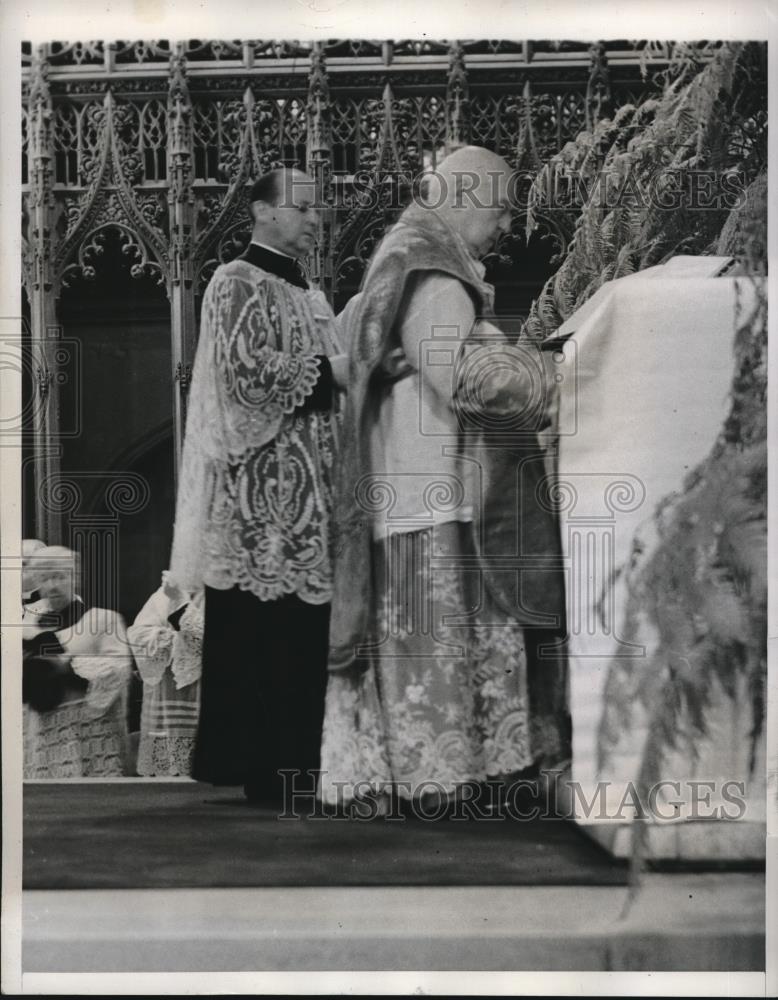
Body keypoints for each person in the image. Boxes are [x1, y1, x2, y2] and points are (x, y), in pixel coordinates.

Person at [320, 146, 569, 810]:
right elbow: (457, 375)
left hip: (411, 484)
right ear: (461, 199)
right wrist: (552, 375)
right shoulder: (433, 272)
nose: (502, 227)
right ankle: (444, 776)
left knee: (430, 633)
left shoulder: (401, 257)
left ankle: (447, 771)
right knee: (439, 634)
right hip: (435, 491)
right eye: (496, 211)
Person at [169, 167, 347, 804]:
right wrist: (337, 370)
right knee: (270, 634)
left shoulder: (308, 291)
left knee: (299, 636)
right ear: (263, 211)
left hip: (311, 492)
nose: (313, 218)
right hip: (261, 496)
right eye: (301, 207)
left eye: (316, 208)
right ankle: (267, 769)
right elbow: (246, 376)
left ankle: (298, 764)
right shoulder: (236, 279)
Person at [22, 545, 132, 778]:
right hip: (44, 734)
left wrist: (67, 668)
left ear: (75, 578)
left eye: (59, 577)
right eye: (44, 579)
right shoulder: (27, 627)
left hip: (89, 732)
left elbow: (120, 668)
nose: (52, 586)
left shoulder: (103, 619)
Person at [127, 572, 203, 777]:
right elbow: (137, 635)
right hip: (166, 692)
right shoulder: (163, 594)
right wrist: (174, 639)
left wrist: (181, 616)